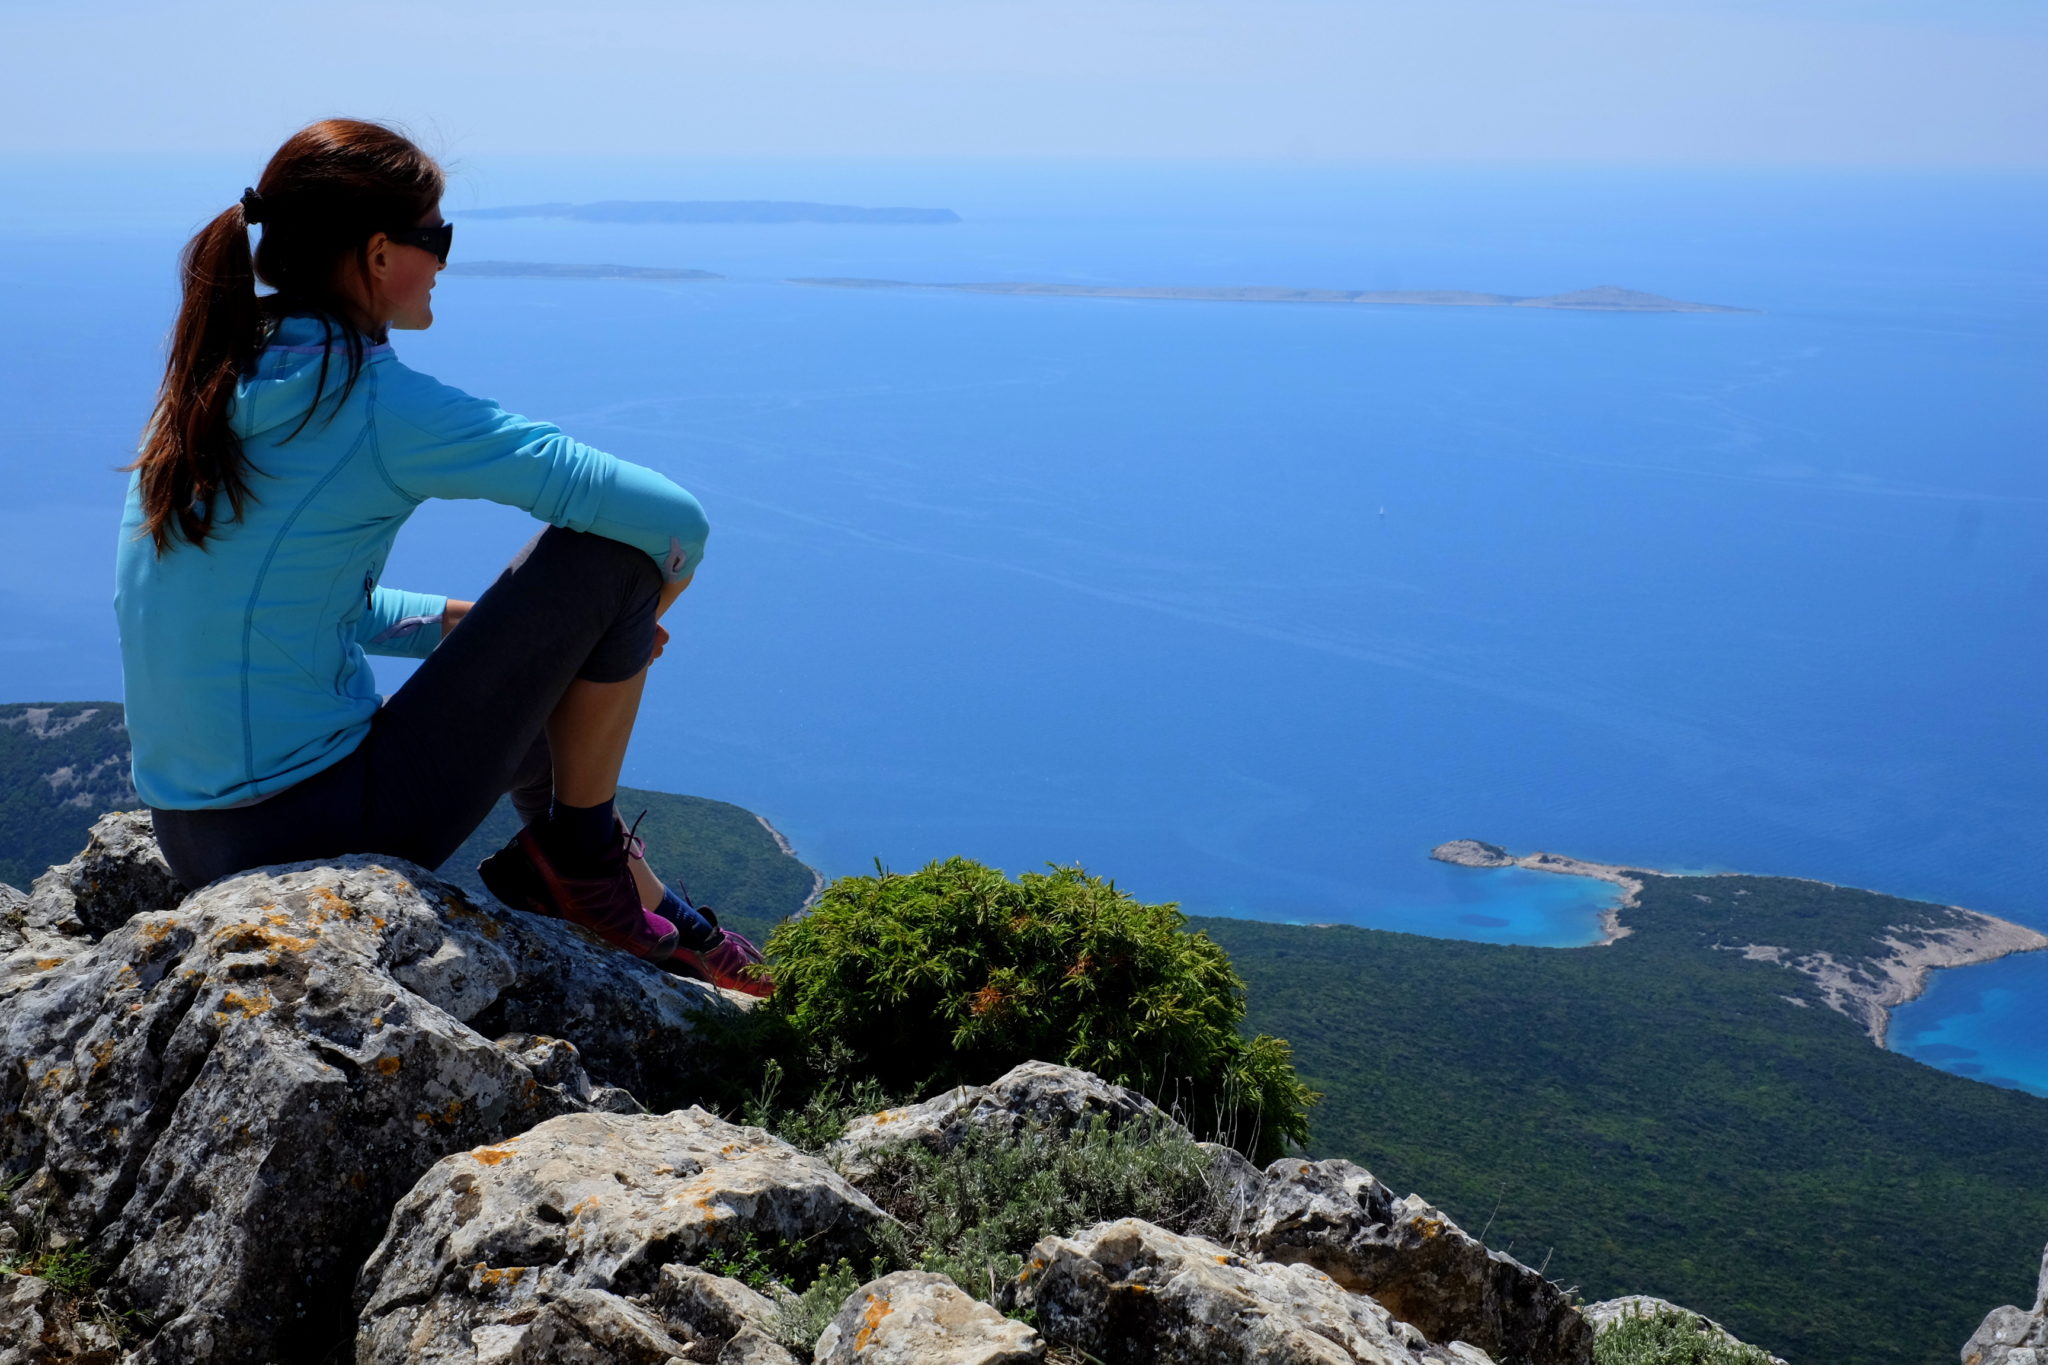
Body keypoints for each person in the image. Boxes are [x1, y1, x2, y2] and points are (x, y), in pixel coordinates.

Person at [113, 117, 769, 996]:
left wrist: (497, 633)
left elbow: (299, 608)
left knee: (536, 653)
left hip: (194, 833)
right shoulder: (373, 401)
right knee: (607, 559)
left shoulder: (212, 383)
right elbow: (674, 521)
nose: (444, 262)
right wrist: (624, 624)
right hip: (310, 830)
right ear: (380, 254)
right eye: (438, 238)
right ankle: (582, 856)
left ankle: (620, 884)